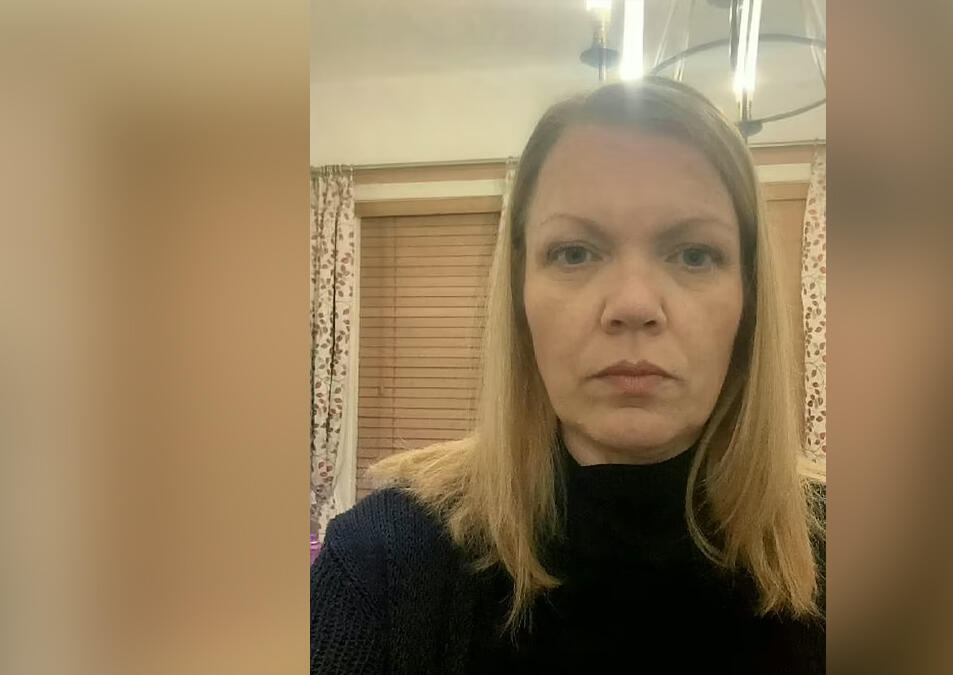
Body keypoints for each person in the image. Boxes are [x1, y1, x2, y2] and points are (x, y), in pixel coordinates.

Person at [310, 77, 825, 674]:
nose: (633, 305)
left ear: (749, 298)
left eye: (694, 254)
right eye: (575, 253)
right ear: (520, 292)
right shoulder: (379, 565)